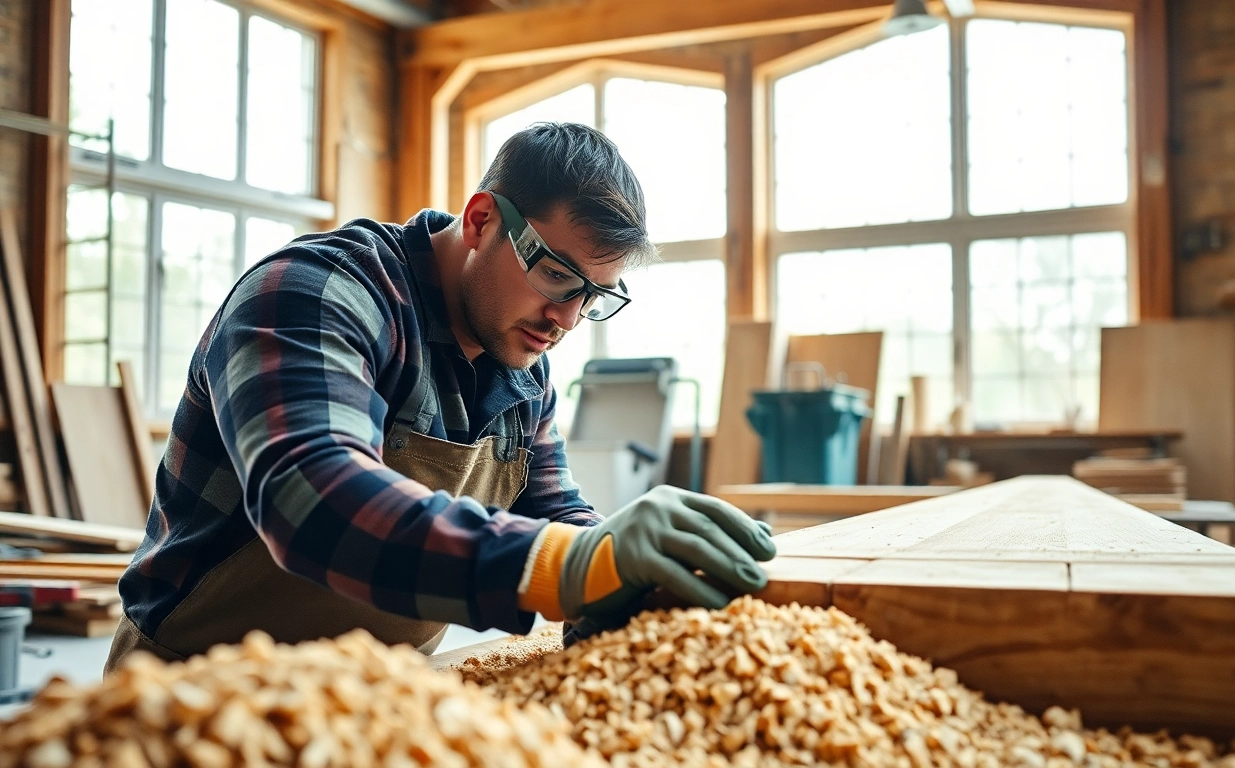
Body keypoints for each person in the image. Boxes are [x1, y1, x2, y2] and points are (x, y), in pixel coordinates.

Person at [104, 123, 775, 672]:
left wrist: (620, 571)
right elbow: (311, 498)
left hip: (377, 698)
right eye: (555, 275)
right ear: (482, 219)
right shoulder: (317, 291)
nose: (567, 319)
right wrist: (569, 565)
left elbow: (550, 506)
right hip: (193, 694)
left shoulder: (521, 363)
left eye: (594, 297)